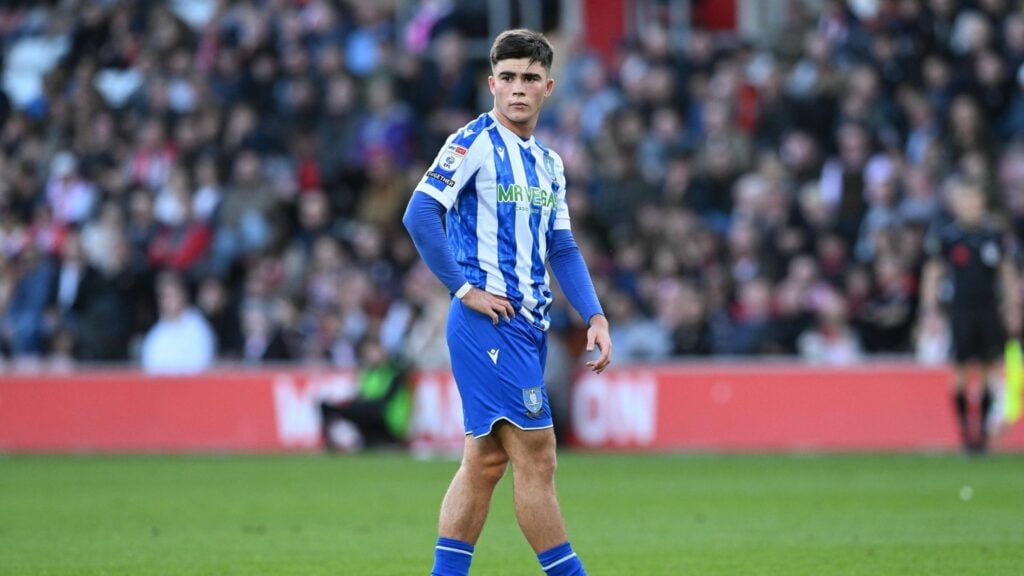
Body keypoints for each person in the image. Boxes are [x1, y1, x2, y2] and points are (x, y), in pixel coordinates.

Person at [403, 29, 611, 576]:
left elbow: (561, 247)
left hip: (529, 326)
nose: (518, 89)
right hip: (485, 323)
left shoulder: (548, 163)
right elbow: (420, 214)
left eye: (530, 79)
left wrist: (594, 314)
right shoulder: (471, 143)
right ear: (492, 83)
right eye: (509, 78)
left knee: (485, 460)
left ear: (548, 87)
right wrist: (464, 289)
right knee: (537, 455)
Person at [921, 179, 1021, 454]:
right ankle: (966, 430)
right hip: (960, 311)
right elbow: (933, 273)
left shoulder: (994, 237)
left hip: (989, 310)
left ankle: (983, 435)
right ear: (958, 206)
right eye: (966, 201)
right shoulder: (948, 237)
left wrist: (1012, 307)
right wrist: (930, 311)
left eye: (976, 202)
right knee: (961, 372)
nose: (972, 207)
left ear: (982, 205)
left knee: (990, 369)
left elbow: (1007, 272)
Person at [319, 335, 410, 451]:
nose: (371, 355)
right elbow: (361, 396)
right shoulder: (368, 373)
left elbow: (383, 402)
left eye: (374, 351)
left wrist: (358, 405)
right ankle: (332, 444)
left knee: (362, 409)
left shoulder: (395, 373)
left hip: (389, 420)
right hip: (370, 413)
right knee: (327, 406)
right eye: (369, 352)